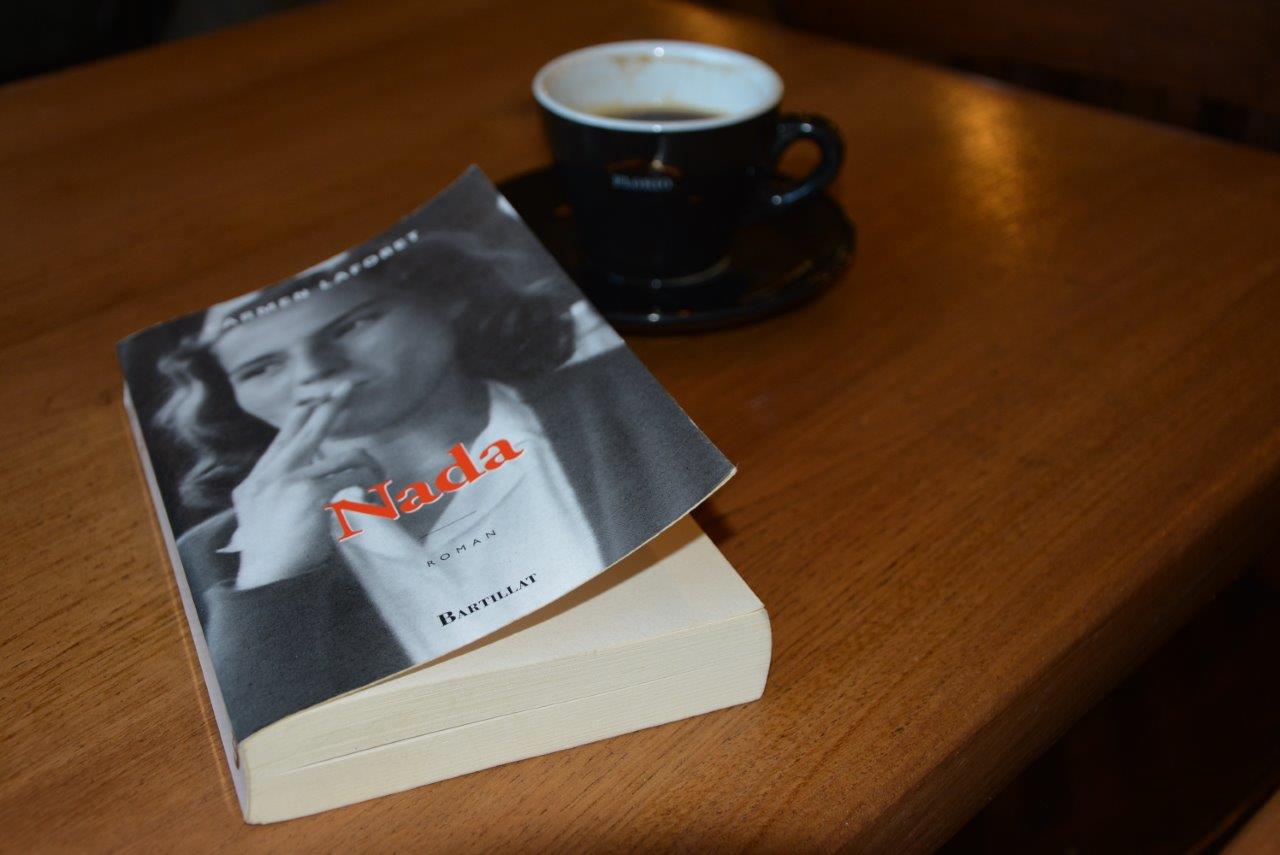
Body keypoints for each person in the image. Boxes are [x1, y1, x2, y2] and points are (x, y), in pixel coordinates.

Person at [152, 228, 728, 740]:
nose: (314, 371)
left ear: (447, 299)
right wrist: (272, 580)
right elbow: (265, 746)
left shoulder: (630, 399)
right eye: (261, 368)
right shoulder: (215, 557)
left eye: (352, 325)